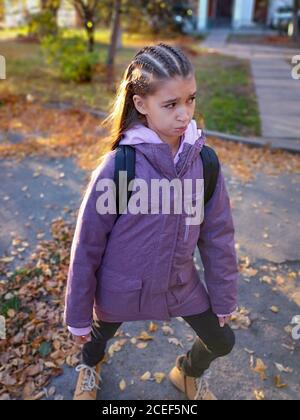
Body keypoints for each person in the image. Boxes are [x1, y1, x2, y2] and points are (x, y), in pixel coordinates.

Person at [64, 43, 239, 401]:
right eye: (171, 104)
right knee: (96, 339)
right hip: (120, 288)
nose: (184, 114)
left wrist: (223, 297)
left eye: (190, 99)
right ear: (141, 104)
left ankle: (187, 372)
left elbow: (218, 237)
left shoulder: (204, 163)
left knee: (222, 341)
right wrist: (78, 313)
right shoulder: (119, 167)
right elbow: (88, 245)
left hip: (179, 285)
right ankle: (89, 367)